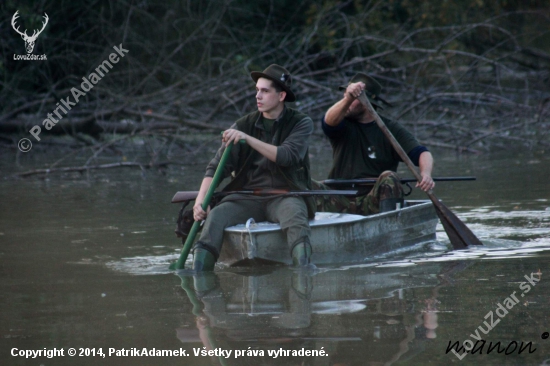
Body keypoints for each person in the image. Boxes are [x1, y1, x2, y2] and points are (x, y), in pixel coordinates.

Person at [191, 64, 315, 271]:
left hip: (285, 195)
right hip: (247, 197)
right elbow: (216, 168)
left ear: (282, 95)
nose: (258, 96)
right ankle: (198, 276)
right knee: (216, 217)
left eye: (265, 91)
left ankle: (303, 277)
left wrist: (247, 139)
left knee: (296, 221)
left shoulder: (301, 123)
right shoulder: (243, 125)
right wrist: (200, 201)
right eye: (257, 90)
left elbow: (286, 156)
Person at [315, 73, 434, 215]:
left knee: (390, 177)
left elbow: (422, 153)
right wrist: (349, 99)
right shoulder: (342, 124)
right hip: (339, 198)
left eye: (353, 98)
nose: (345, 101)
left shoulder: (390, 129)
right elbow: (328, 122)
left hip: (373, 201)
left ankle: (389, 224)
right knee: (301, 181)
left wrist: (425, 174)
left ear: (366, 103)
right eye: (345, 96)